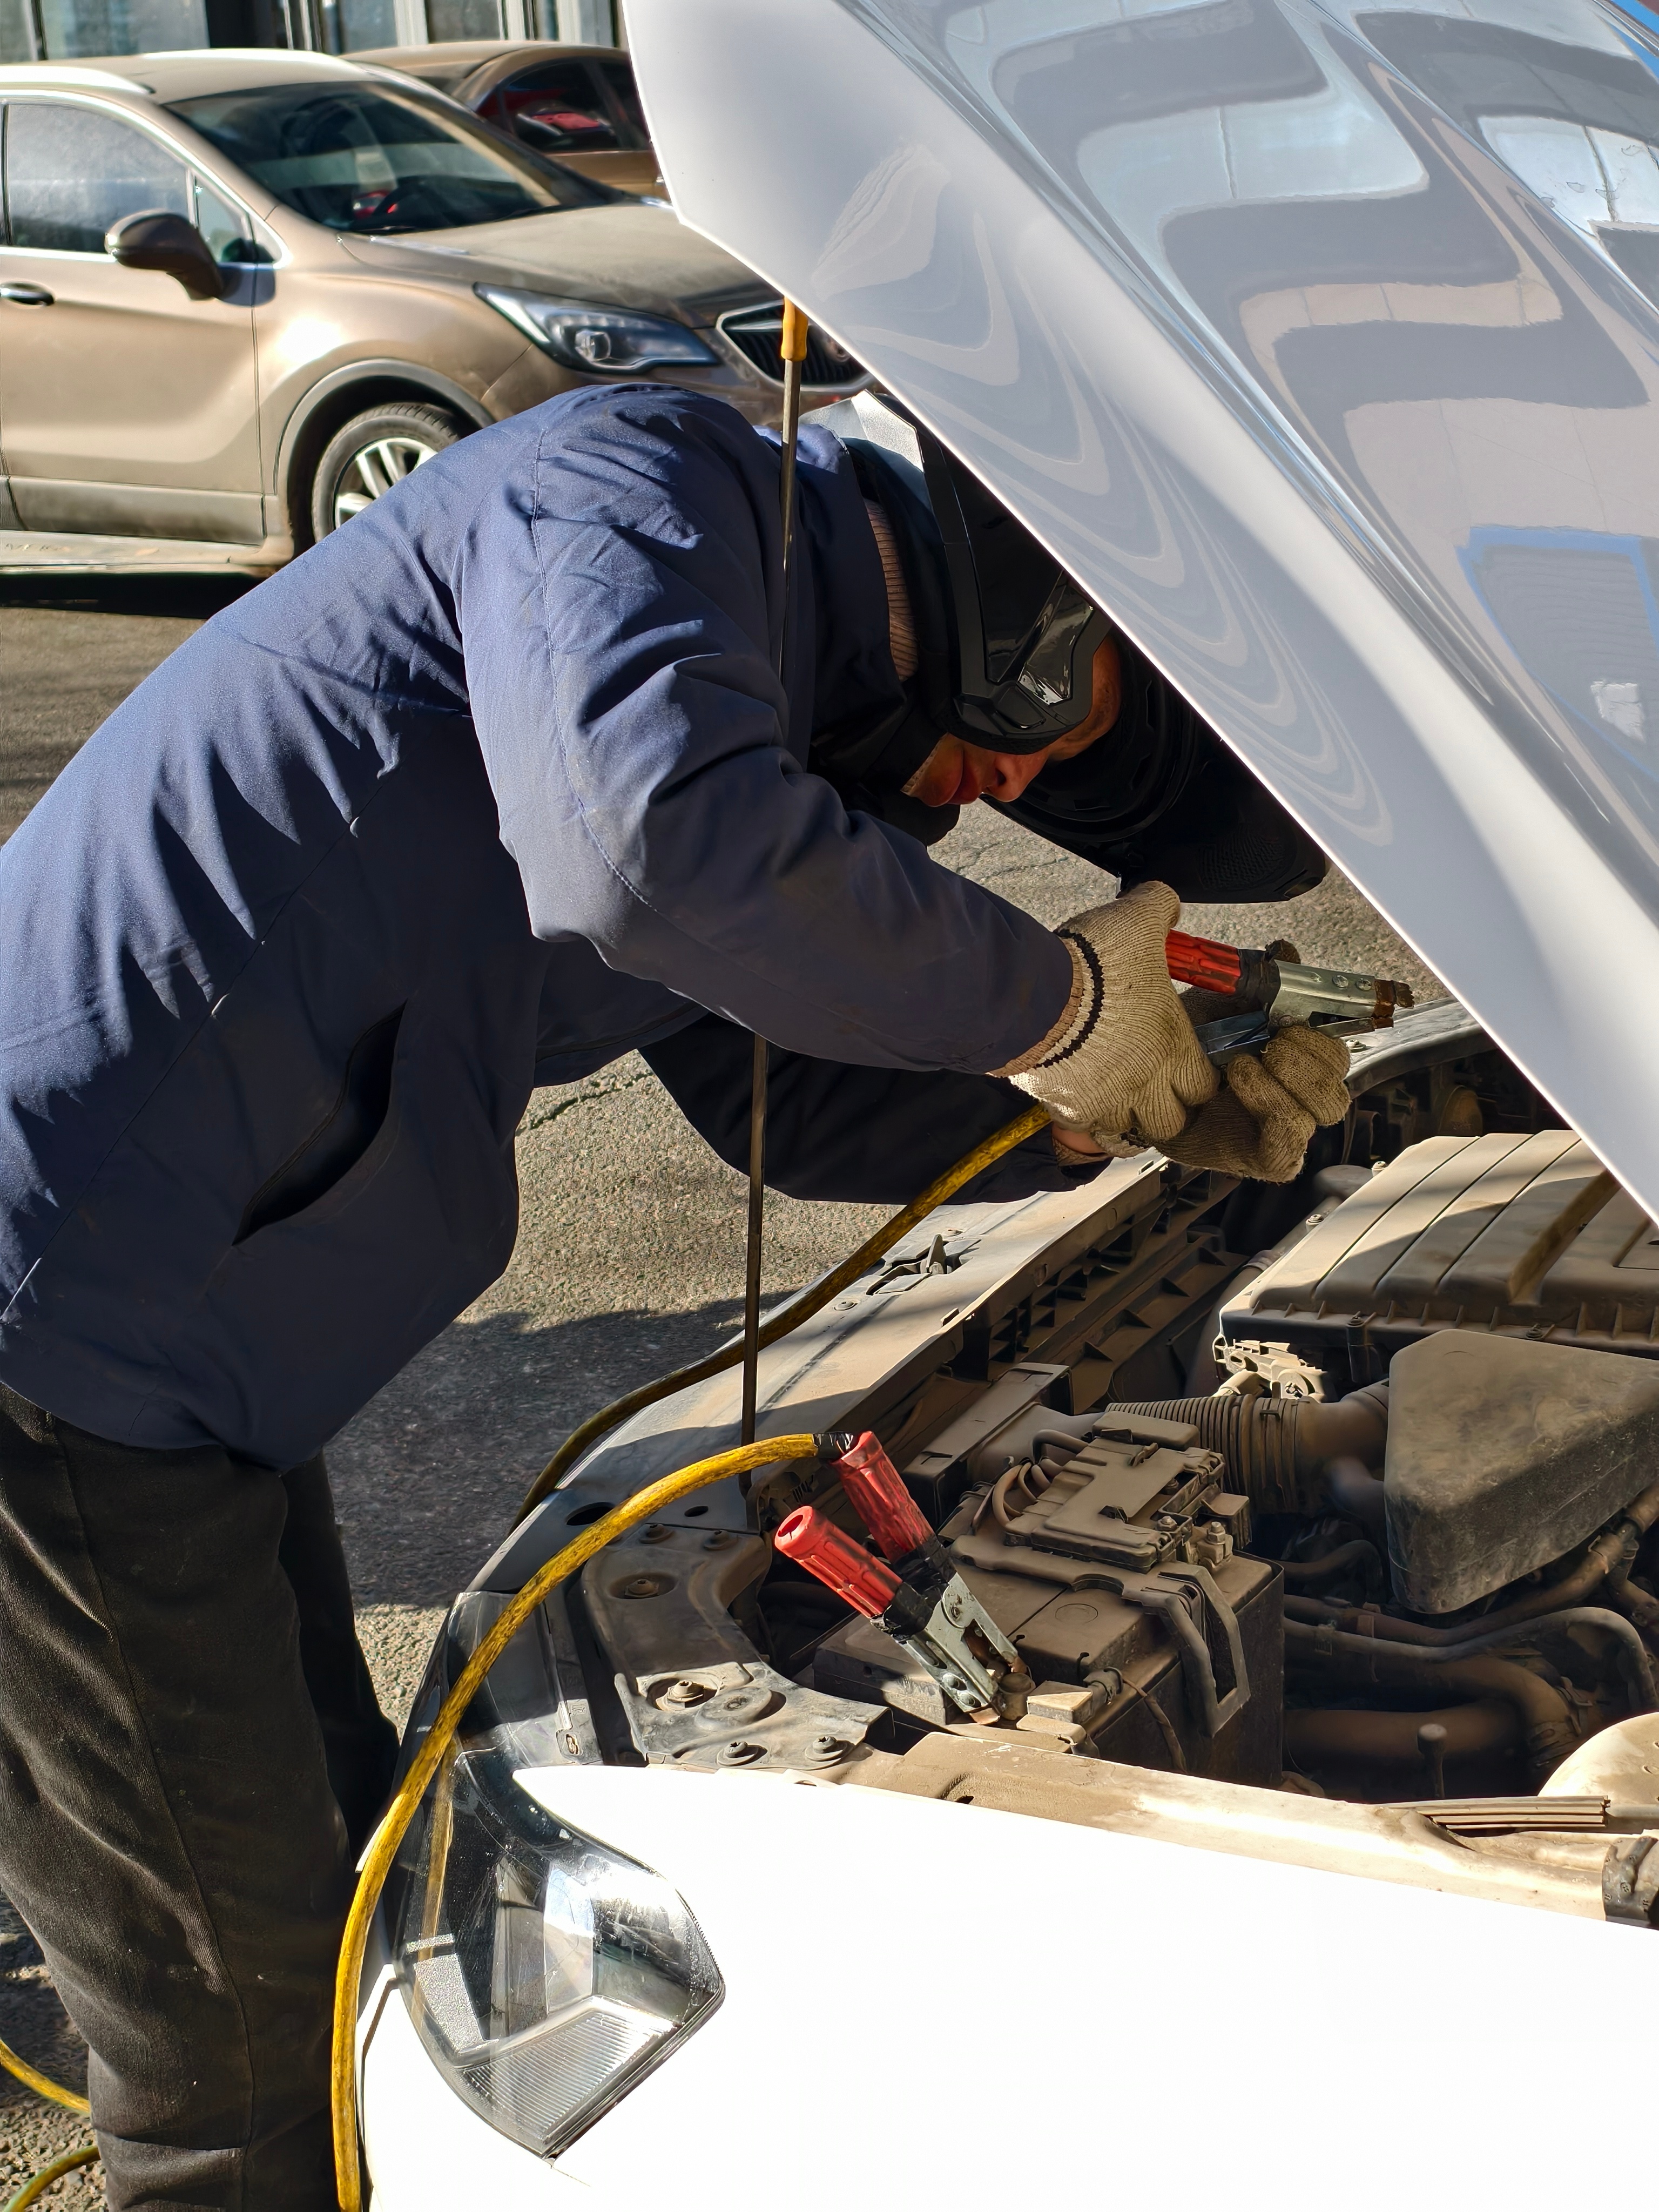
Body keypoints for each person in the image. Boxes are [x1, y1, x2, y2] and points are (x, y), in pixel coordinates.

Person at [0, 383, 1347, 2209]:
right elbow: (648, 853)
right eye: (1058, 733)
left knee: (331, 1893)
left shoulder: (759, 708)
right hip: (53, 1329)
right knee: (231, 2065)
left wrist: (1117, 1110)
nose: (1021, 791)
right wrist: (1046, 1005)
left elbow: (772, 1087)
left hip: (190, 1355)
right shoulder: (635, 492)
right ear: (1009, 597)